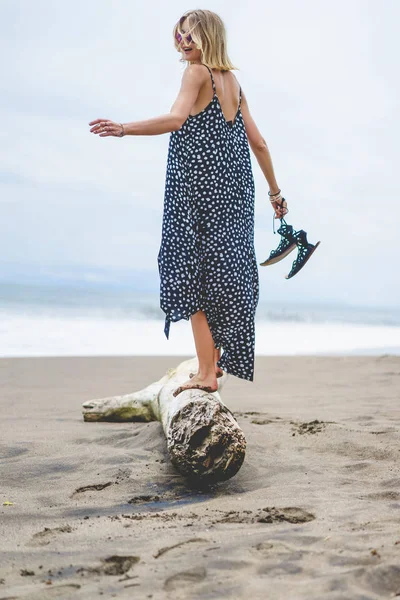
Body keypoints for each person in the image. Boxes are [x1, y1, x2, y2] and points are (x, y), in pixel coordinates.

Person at [89, 9, 286, 397]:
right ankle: (212, 364)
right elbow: (259, 143)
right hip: (235, 195)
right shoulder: (235, 85)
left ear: (207, 36)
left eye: (190, 35)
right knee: (223, 274)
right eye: (179, 35)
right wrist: (275, 194)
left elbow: (177, 119)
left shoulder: (197, 74)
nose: (183, 42)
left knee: (189, 274)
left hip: (197, 194)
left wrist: (124, 129)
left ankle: (206, 373)